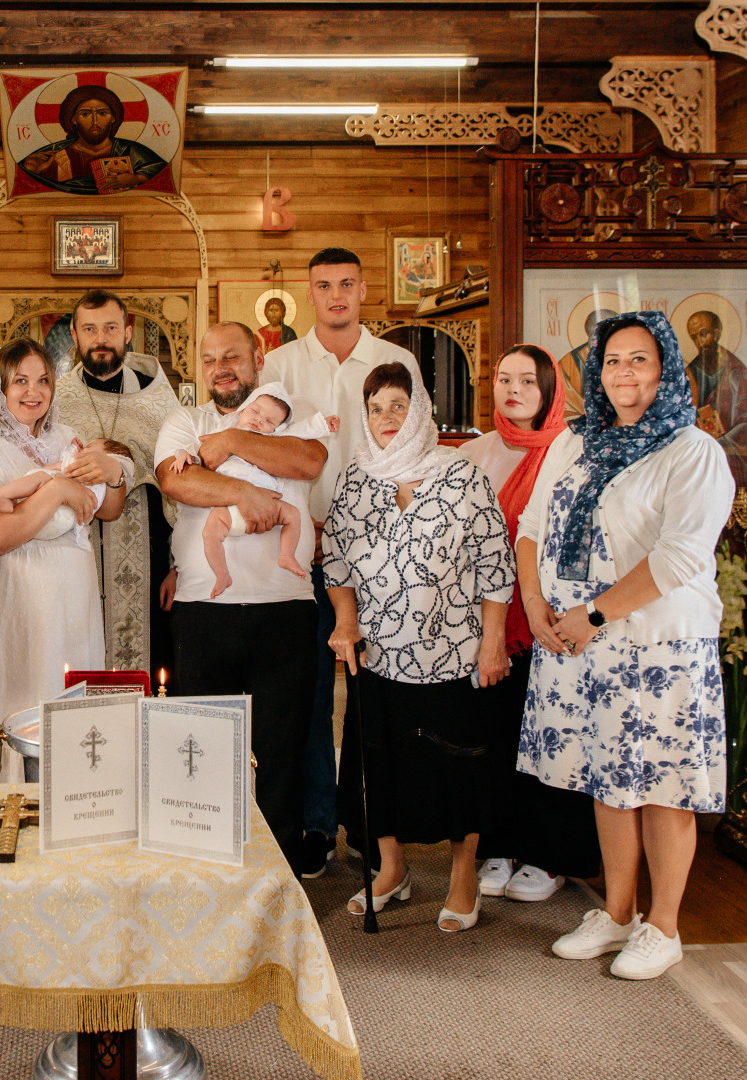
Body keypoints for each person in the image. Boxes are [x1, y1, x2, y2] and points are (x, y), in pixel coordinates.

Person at [514, 310, 733, 980]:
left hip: (656, 644)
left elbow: (678, 558)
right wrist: (535, 603)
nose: (622, 373)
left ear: (665, 367)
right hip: (580, 642)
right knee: (606, 781)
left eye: (639, 359)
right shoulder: (572, 442)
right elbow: (529, 526)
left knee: (662, 785)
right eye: (611, 360)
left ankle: (660, 926)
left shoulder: (692, 451)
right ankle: (614, 913)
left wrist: (594, 615)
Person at [325, 362, 515, 932]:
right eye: (377, 407)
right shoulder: (356, 479)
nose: (387, 417)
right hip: (380, 655)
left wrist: (494, 641)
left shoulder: (460, 475)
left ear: (421, 410)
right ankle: (392, 868)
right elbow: (335, 562)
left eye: (399, 406)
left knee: (458, 768)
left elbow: (494, 564)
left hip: (455, 653)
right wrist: (344, 622)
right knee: (381, 767)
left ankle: (463, 876)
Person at [261, 246, 417, 879]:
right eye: (323, 285)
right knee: (309, 695)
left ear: (362, 289)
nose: (335, 296)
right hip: (303, 547)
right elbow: (265, 451)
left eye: (346, 284)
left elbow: (412, 448)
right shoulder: (280, 364)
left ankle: (378, 830)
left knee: (377, 695)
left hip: (378, 552)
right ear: (309, 290)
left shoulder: (395, 361)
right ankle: (318, 824)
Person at [156, 321, 328, 870]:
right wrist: (248, 492)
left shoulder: (290, 409)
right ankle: (210, 867)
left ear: (259, 356)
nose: (221, 368)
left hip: (286, 608)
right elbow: (177, 482)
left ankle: (279, 879)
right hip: (203, 609)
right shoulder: (187, 420)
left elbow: (306, 461)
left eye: (232, 356)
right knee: (203, 751)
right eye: (209, 360)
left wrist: (229, 443)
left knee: (282, 751)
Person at [460, 344, 602, 905]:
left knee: (554, 739)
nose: (513, 389)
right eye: (502, 379)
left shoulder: (575, 451)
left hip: (553, 618)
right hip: (491, 618)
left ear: (549, 390)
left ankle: (548, 856)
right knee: (493, 737)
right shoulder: (473, 454)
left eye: (527, 380)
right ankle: (498, 846)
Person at [0, 339, 130, 784]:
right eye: (21, 380)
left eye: (43, 380)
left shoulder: (66, 439)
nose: (33, 391)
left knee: (70, 693)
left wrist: (113, 474)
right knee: (27, 693)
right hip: (24, 593)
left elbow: (106, 510)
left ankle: (77, 802)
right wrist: (53, 492)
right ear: (0, 387)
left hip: (76, 592)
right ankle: (15, 799)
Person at [53, 289, 180, 677]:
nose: (100, 338)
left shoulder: (158, 398)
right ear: (74, 336)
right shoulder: (55, 399)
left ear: (128, 332)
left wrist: (179, 566)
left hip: (150, 559)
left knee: (151, 670)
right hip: (75, 553)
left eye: (110, 327)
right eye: (89, 329)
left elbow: (178, 483)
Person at [166, 383, 335, 597]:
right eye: (255, 411)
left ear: (276, 429)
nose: (259, 420)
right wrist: (184, 454)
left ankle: (287, 555)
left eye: (269, 421)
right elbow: (198, 449)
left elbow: (303, 430)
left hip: (268, 502)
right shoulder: (222, 431)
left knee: (293, 515)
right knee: (210, 533)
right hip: (229, 505)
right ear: (243, 408)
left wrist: (323, 424)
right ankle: (222, 574)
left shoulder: (273, 439)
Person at [18, 85, 167, 195]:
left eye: (103, 113)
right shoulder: (59, 157)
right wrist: (30, 169)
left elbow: (161, 173)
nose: (95, 121)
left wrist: (135, 179)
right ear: (73, 119)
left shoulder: (131, 150)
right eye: (85, 114)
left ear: (113, 118)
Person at [684, 310, 747, 491]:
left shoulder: (736, 370)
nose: (700, 343)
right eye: (694, 338)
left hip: (728, 454)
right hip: (700, 454)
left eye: (704, 334)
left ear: (717, 333)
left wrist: (719, 443)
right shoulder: (690, 372)